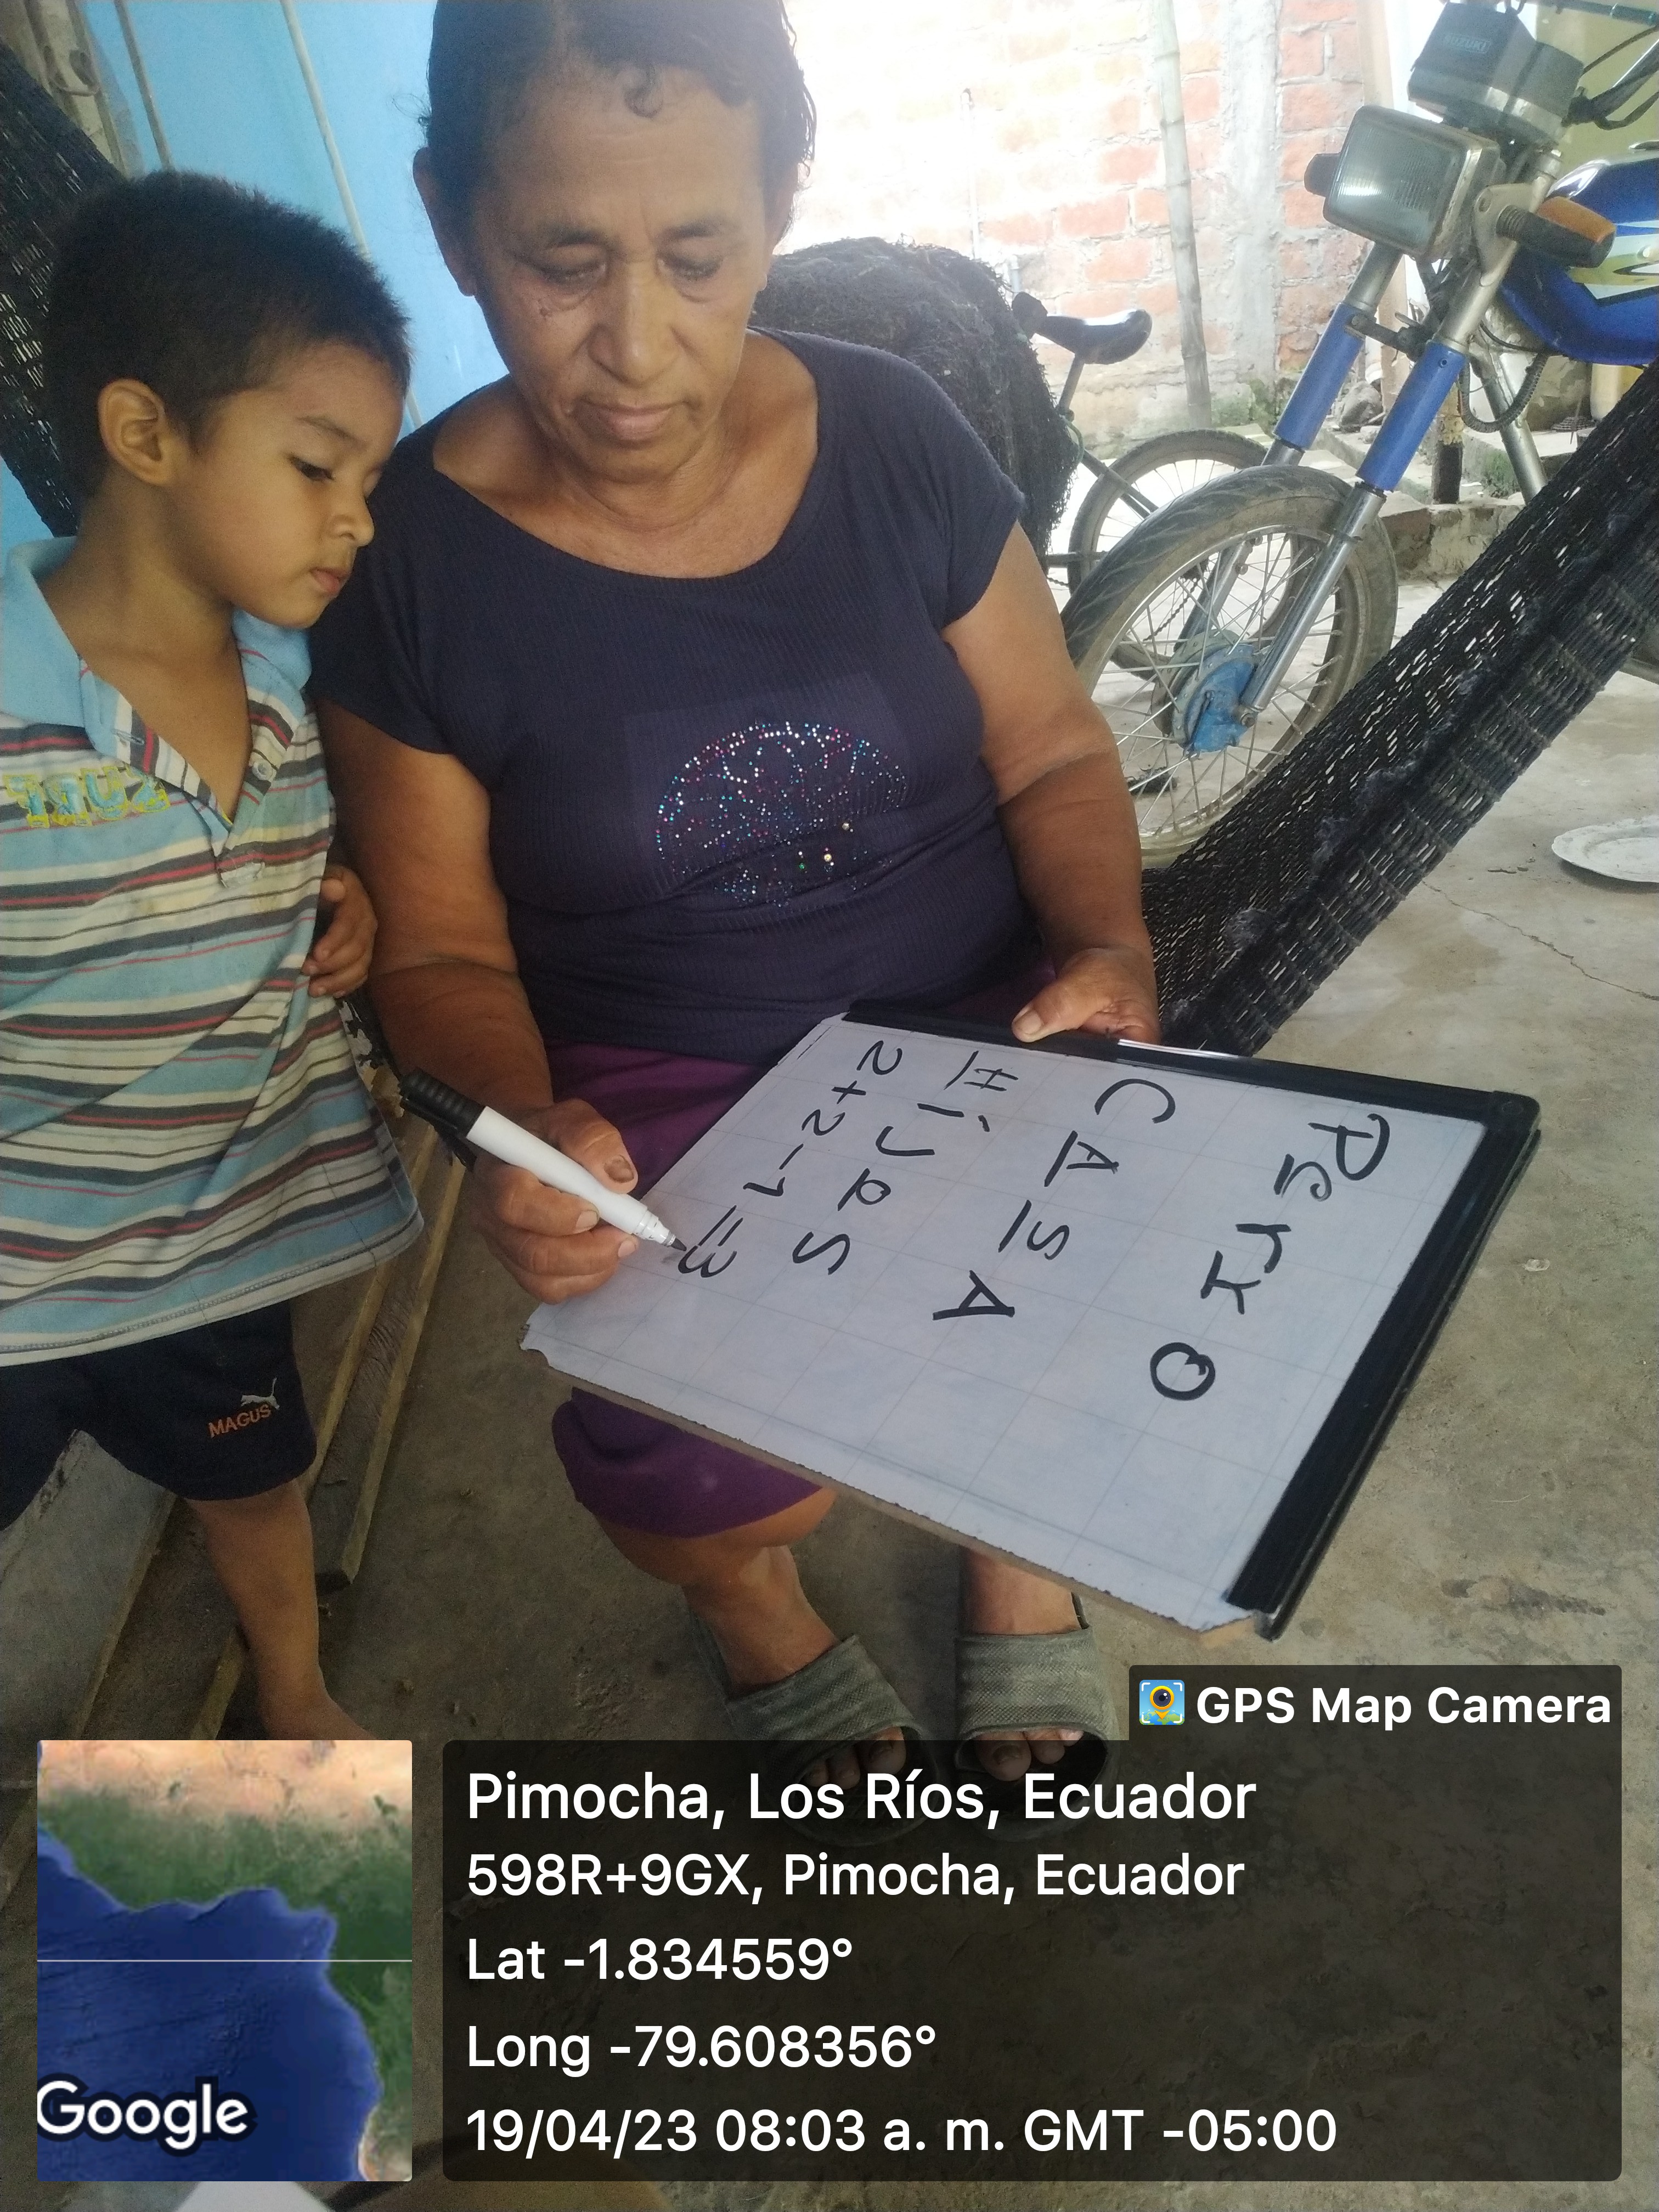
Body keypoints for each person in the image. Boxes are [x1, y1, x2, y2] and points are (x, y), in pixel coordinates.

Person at [313, 0, 1159, 1789]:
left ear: (782, 206)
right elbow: (441, 947)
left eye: (697, 258)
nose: (635, 348)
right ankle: (750, 1604)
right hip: (663, 1093)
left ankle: (1011, 1553)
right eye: (560, 263)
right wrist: (525, 1134)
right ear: (451, 218)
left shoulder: (898, 433)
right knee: (706, 1476)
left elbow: (1052, 755)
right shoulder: (408, 569)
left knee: (1094, 1324)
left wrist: (1107, 946)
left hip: (989, 1023)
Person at [1, 173, 422, 1738]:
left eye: (368, 477)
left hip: (215, 1239)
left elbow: (258, 862)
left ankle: (292, 1700)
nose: (356, 515)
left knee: (255, 1477)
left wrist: (339, 891)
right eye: (316, 464)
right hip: (16, 1266)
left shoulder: (288, 679)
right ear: (145, 433)